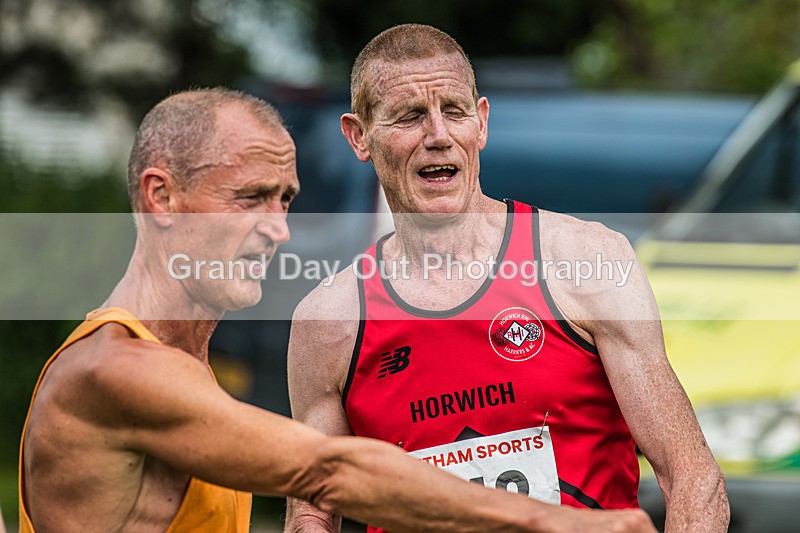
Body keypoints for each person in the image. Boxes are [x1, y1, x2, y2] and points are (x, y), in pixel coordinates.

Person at [18, 88, 655, 533]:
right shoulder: (116, 369)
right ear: (162, 197)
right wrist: (558, 523)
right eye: (250, 199)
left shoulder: (182, 367)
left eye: (285, 200)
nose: (279, 231)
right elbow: (328, 470)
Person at [286, 24, 729, 533]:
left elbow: (693, 477)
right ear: (359, 136)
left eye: (454, 111)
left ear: (482, 122)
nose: (438, 136)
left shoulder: (582, 261)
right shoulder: (329, 321)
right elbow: (313, 513)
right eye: (409, 116)